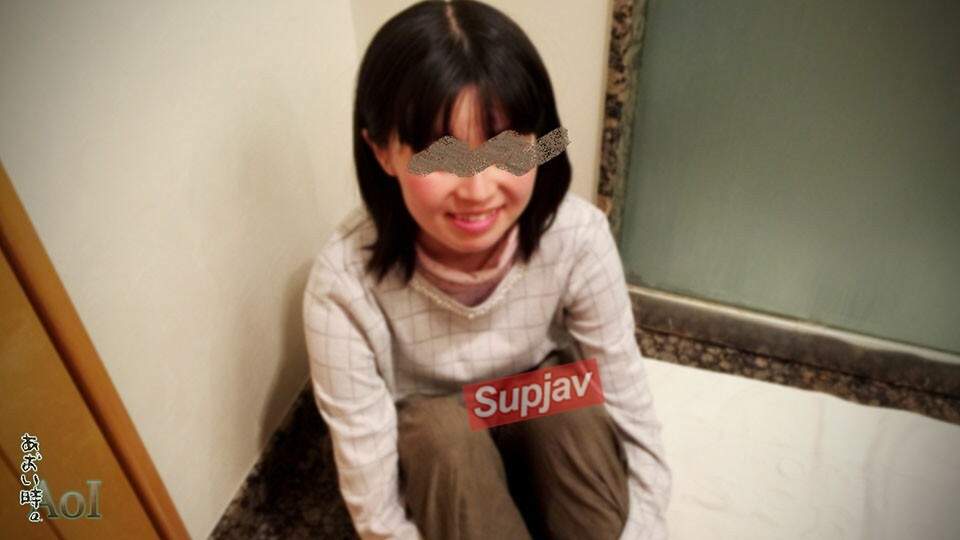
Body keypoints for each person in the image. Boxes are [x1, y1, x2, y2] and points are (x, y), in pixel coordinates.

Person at [302, 1, 671, 538]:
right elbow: (378, 509)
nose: (478, 190)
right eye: (441, 155)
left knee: (567, 403)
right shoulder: (342, 285)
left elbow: (630, 414)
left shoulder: (577, 236)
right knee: (442, 436)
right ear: (382, 152)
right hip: (438, 451)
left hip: (538, 423)